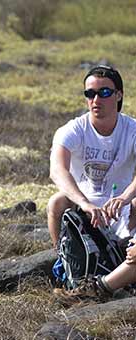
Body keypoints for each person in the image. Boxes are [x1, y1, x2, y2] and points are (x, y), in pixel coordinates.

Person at [48, 65, 136, 299]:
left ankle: (100, 287)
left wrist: (125, 197)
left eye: (105, 92)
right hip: (86, 207)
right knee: (56, 202)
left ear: (119, 95)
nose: (96, 99)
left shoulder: (132, 129)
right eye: (90, 93)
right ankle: (65, 266)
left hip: (122, 208)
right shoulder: (73, 129)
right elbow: (57, 170)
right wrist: (85, 204)